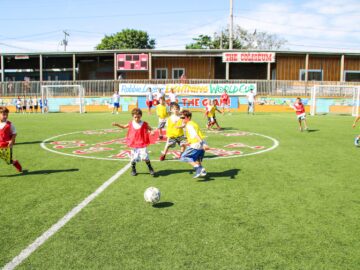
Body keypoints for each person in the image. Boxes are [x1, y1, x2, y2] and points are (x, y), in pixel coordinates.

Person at [112, 108, 155, 176]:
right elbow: (123, 126)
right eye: (135, 117)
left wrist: (152, 132)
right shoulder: (131, 123)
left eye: (138, 117)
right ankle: (133, 169)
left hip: (142, 143)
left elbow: (150, 129)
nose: (137, 118)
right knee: (133, 158)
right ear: (133, 116)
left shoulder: (144, 124)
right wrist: (117, 124)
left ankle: (150, 168)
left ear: (141, 116)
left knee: (145, 157)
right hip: (134, 144)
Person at [179, 109, 207, 178]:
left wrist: (202, 143)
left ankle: (198, 168)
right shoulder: (193, 123)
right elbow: (194, 135)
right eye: (181, 117)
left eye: (183, 118)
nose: (182, 119)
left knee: (184, 157)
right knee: (196, 159)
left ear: (188, 118)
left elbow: (195, 135)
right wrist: (187, 143)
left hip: (196, 144)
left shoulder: (189, 125)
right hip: (199, 144)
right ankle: (201, 171)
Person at [0, 106, 22, 172]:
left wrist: (11, 141)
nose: (5, 116)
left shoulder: (9, 124)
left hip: (6, 145)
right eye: (4, 115)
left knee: (8, 160)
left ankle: (16, 163)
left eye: (7, 115)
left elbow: (14, 133)